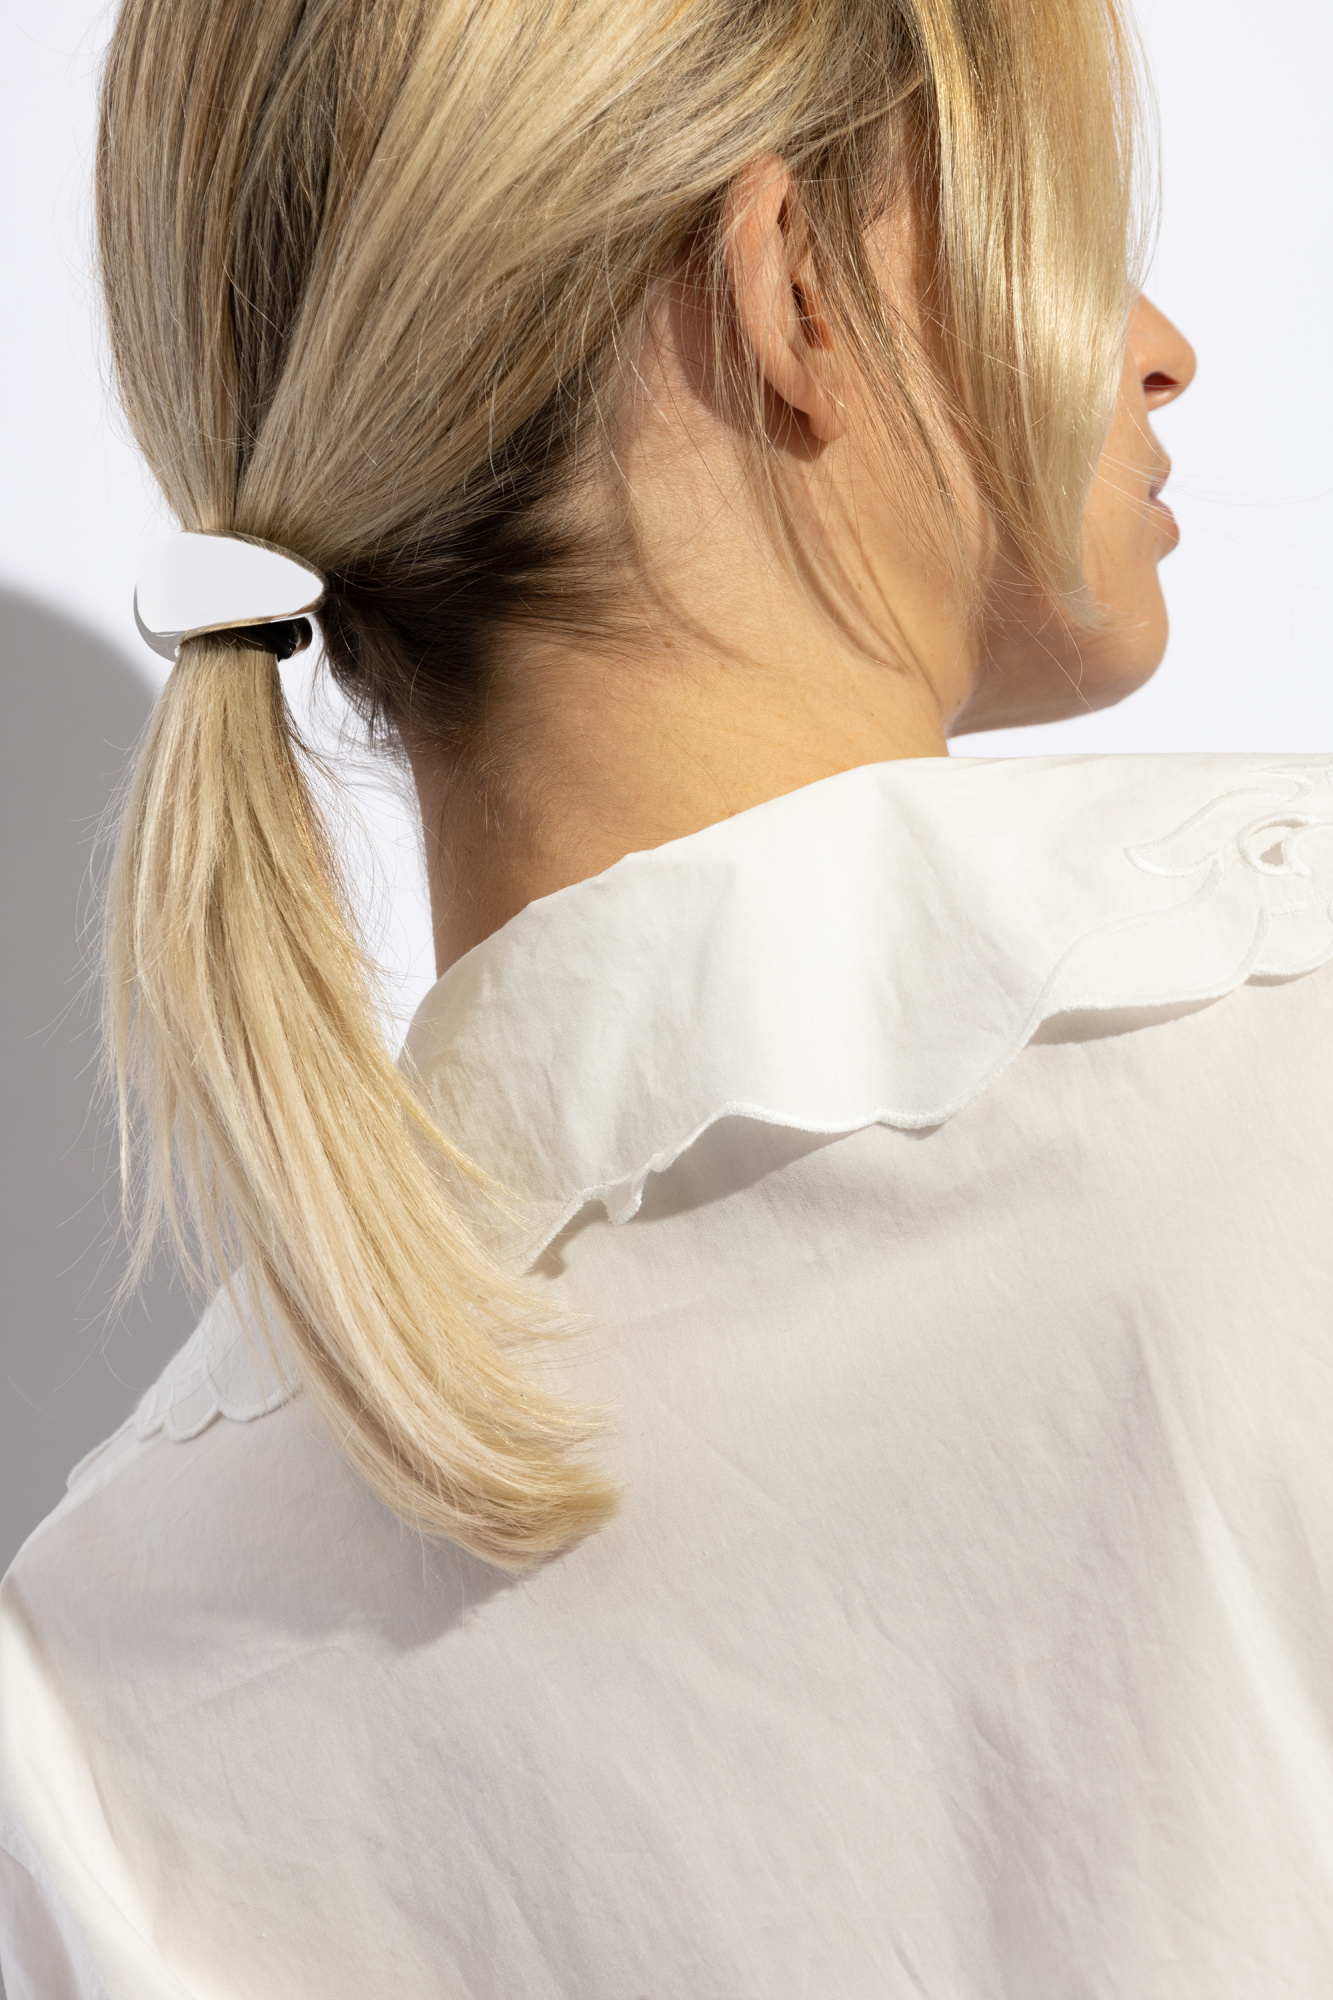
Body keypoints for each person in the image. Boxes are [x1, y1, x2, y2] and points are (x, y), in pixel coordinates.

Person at [3, 0, 1332, 1991]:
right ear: (792, 294)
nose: (1157, 348)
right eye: (1059, 225)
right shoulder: (1286, 1054)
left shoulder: (93, 1687)